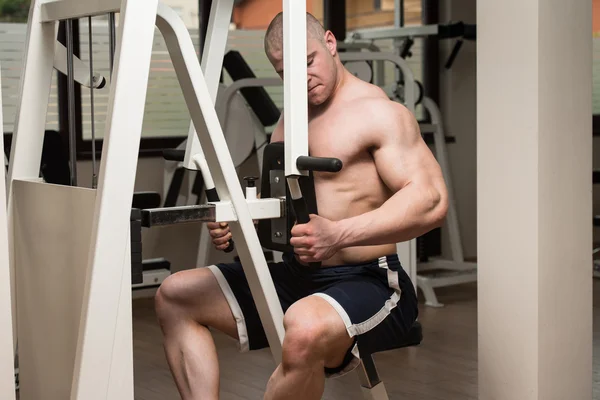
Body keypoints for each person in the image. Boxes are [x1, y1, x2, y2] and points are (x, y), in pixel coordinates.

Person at [155, 11, 448, 400]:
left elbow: (431, 200)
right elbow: (282, 202)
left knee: (304, 327)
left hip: (369, 281)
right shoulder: (289, 121)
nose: (301, 78)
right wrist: (237, 219)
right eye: (285, 72)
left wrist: (340, 233)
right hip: (297, 277)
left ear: (330, 43)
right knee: (175, 295)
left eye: (308, 62)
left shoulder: (379, 113)